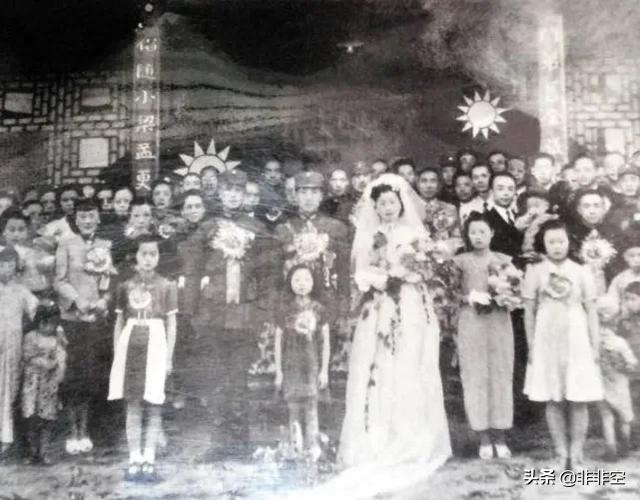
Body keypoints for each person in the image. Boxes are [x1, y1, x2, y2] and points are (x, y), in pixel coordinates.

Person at [331, 173, 450, 498]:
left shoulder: (414, 234)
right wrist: (379, 280)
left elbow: (427, 269)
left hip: (409, 304)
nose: (387, 208)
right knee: (380, 363)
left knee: (409, 363)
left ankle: (412, 437)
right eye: (382, 203)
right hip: (380, 305)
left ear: (401, 204)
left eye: (392, 202)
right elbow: (360, 273)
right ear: (375, 206)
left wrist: (412, 273)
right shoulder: (368, 236)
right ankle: (378, 437)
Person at [191, 169, 274, 461]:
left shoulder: (257, 228)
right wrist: (194, 312)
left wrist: (262, 310)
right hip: (213, 314)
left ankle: (241, 443)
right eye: (227, 190)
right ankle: (217, 442)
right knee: (216, 377)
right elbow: (193, 270)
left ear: (245, 194)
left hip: (244, 314)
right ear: (219, 193)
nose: (232, 195)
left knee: (239, 377)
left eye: (238, 190)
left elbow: (267, 273)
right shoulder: (208, 228)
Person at [523, 219, 603, 470]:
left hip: (576, 337)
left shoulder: (582, 271)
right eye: (551, 242)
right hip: (546, 338)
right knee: (553, 397)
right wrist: (531, 345)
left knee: (579, 398)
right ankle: (561, 452)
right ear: (543, 244)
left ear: (569, 242)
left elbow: (591, 311)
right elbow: (529, 312)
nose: (557, 246)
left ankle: (577, 453)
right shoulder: (535, 272)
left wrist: (595, 344)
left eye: (561, 241)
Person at [108, 235, 177, 481]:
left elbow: (172, 323)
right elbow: (119, 322)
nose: (148, 259)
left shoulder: (167, 285)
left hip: (156, 339)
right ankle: (134, 458)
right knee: (133, 403)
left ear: (158, 257)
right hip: (131, 341)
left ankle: (149, 458)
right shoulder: (125, 286)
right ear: (136, 257)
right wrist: (118, 354)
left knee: (154, 403)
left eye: (153, 254)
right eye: (144, 254)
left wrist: (168, 357)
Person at [55, 198, 115, 455]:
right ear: (76, 219)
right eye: (82, 216)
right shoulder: (66, 244)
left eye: (91, 216)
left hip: (97, 319)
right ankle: (72, 432)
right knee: (73, 375)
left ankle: (88, 430)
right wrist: (77, 301)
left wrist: (104, 301)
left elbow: (109, 279)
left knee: (92, 375)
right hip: (74, 319)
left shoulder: (106, 245)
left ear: (98, 218)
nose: (87, 221)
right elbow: (59, 280)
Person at [453, 213, 515, 459]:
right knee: (475, 375)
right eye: (473, 232)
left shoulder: (504, 261)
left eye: (482, 231)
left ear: (492, 233)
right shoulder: (460, 262)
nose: (478, 237)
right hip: (471, 321)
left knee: (500, 373)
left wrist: (505, 296)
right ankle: (483, 437)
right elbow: (449, 293)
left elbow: (516, 291)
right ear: (467, 235)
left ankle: (500, 435)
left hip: (498, 322)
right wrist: (468, 297)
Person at [274, 265, 330, 458]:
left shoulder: (319, 309)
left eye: (306, 279)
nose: (302, 284)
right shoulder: (284, 309)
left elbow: (326, 341)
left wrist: (324, 371)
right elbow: (278, 341)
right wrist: (279, 371)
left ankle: (312, 450)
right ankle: (295, 449)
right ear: (289, 282)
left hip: (312, 365)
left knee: (312, 406)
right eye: (296, 280)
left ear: (313, 282)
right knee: (294, 407)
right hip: (292, 364)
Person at [0, 246, 38, 459]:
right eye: (1, 264)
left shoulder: (21, 290)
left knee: (8, 389)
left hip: (12, 346)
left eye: (10, 264)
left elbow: (36, 310)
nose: (5, 268)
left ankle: (6, 438)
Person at [21, 302, 67, 465]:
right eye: (50, 324)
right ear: (41, 322)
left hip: (49, 385)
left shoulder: (56, 339)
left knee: (47, 419)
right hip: (33, 383)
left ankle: (44, 451)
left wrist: (59, 370)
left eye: (55, 324)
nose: (53, 327)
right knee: (32, 418)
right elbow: (27, 356)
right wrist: (43, 362)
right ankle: (32, 452)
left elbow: (61, 357)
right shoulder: (31, 337)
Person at [596, 297, 636, 461]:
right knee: (625, 417)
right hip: (620, 384)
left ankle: (610, 449)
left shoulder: (594, 342)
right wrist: (627, 368)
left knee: (607, 417)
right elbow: (631, 363)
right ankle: (625, 447)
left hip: (602, 384)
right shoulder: (620, 342)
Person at [416, 167, 462, 254]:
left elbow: (457, 238)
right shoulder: (410, 209)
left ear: (439, 185)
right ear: (417, 184)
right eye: (424, 181)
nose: (429, 185)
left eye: (433, 181)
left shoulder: (450, 208)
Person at [617, 281, 640, 448]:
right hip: (632, 369)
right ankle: (634, 437)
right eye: (626, 299)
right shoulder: (624, 322)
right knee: (632, 401)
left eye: (633, 299)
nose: (629, 302)